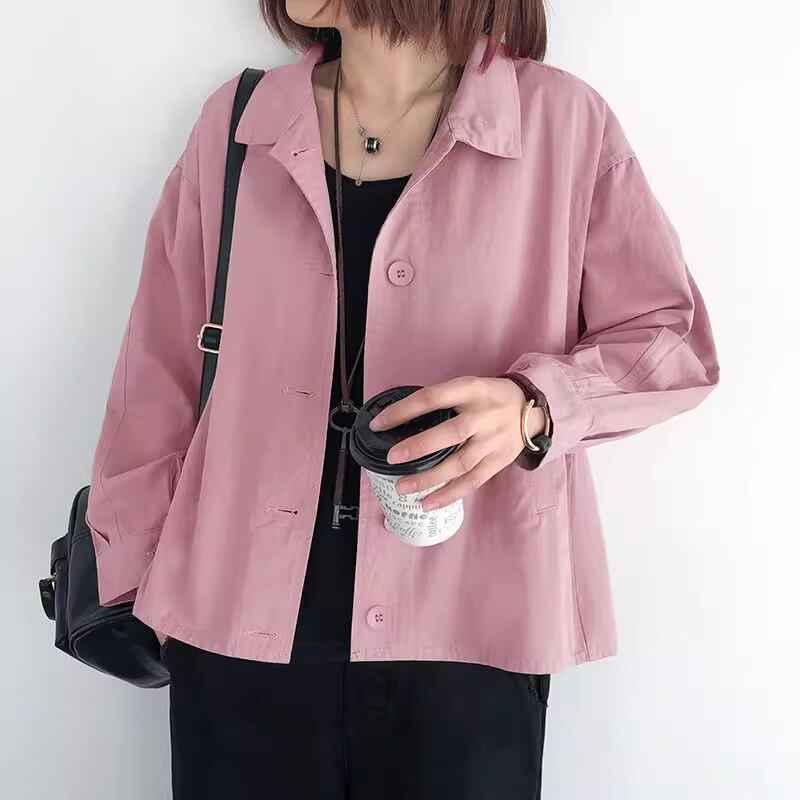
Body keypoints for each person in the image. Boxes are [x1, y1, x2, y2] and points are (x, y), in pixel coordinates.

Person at [84, 1, 719, 797]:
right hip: (236, 631)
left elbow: (669, 339)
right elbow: (158, 368)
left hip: (469, 640)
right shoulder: (240, 124)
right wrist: (133, 574)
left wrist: (534, 407)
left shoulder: (561, 124)